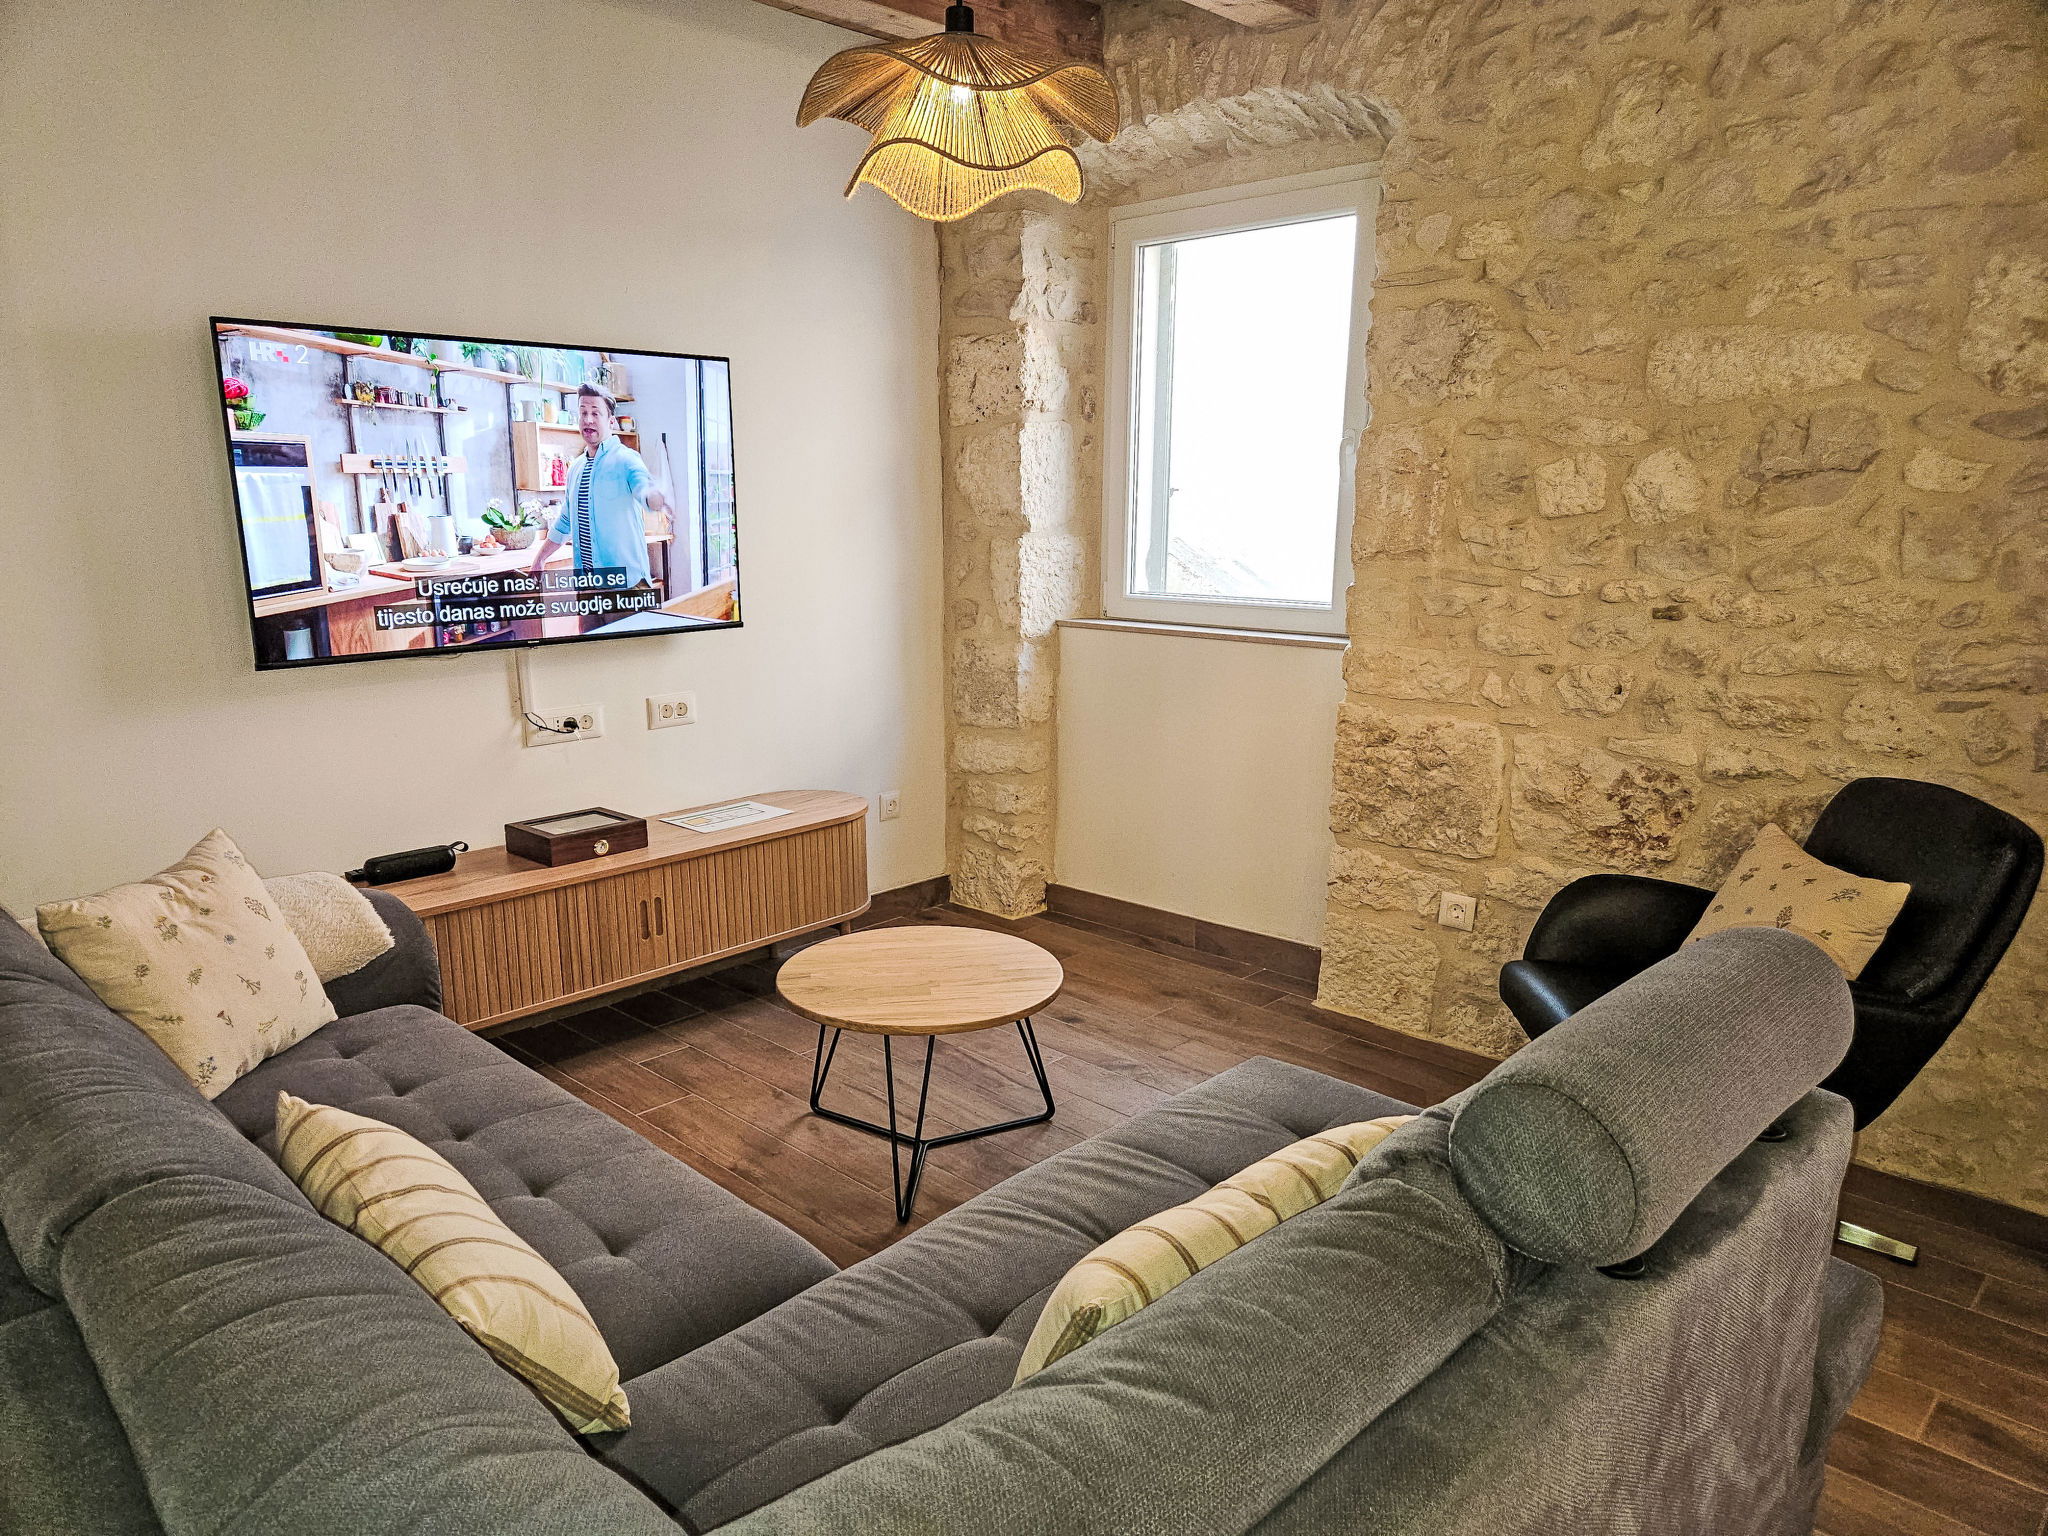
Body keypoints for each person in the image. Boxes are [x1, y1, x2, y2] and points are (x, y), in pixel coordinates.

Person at [528, 384, 671, 628]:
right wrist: (539, 560)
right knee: (593, 651)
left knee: (632, 651)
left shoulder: (626, 459)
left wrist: (653, 497)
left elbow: (643, 487)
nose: (588, 419)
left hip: (626, 588)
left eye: (595, 413)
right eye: (583, 412)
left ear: (611, 421)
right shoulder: (575, 468)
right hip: (588, 589)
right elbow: (565, 522)